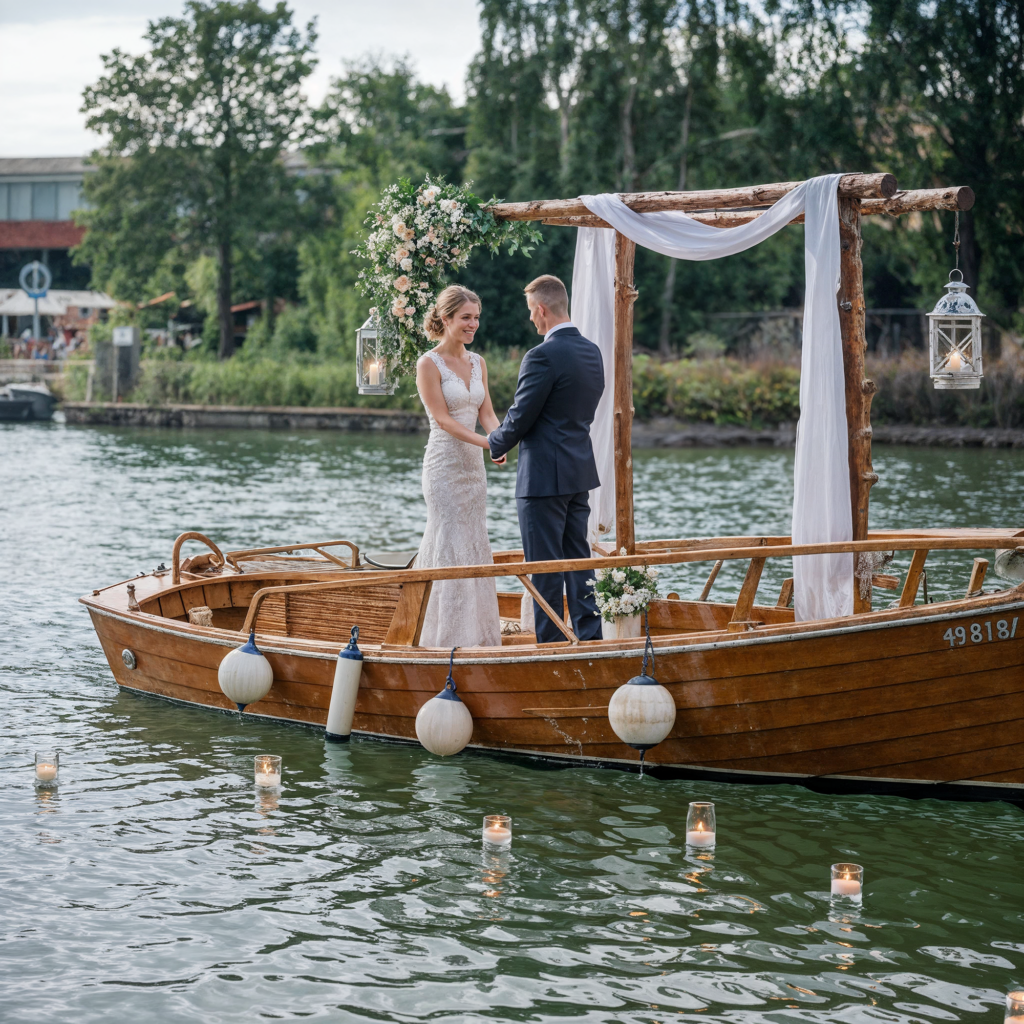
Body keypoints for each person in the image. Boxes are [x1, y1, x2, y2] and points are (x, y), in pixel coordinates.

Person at [488, 275, 605, 644]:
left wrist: (496, 442)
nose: (530, 320)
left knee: (545, 570)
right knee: (579, 563)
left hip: (542, 478)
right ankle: (590, 640)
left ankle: (552, 648)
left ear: (541, 309)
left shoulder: (541, 355)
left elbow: (521, 414)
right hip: (578, 472)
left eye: (530, 312)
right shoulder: (592, 351)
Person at [414, 285, 503, 648]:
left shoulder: (478, 362)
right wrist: (486, 443)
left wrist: (500, 439)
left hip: (473, 469)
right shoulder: (427, 363)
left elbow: (488, 414)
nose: (473, 324)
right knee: (448, 538)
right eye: (466, 317)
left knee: (474, 538)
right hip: (444, 465)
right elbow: (444, 419)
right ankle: (441, 634)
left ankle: (476, 633)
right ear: (446, 318)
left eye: (476, 318)